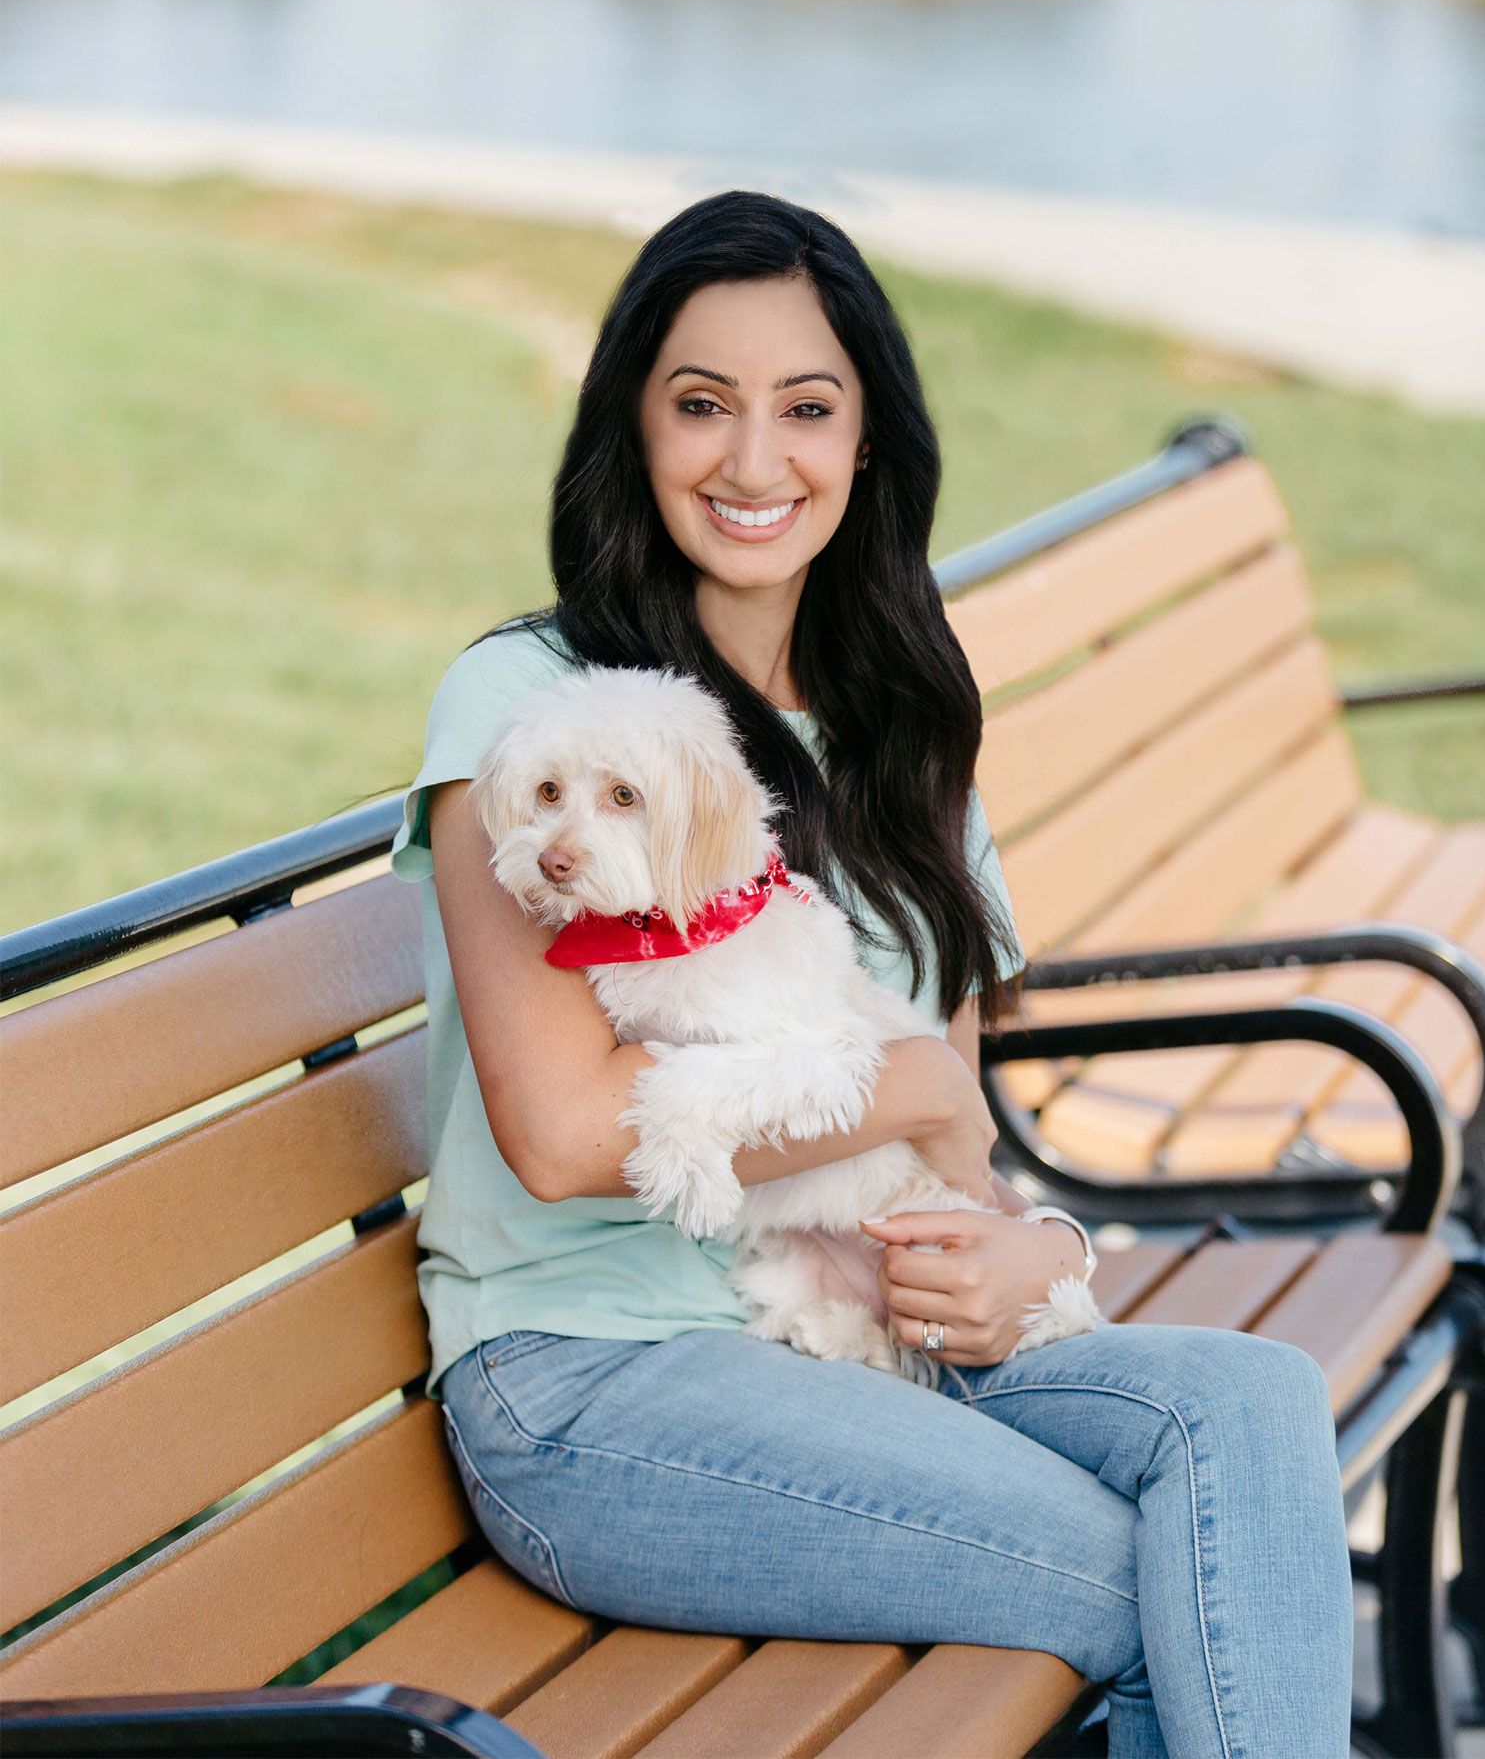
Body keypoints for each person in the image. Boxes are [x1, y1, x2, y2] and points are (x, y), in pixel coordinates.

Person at [392, 191, 1352, 1759]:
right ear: (631, 428)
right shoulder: (538, 710)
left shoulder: (903, 716)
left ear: (866, 442)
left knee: (1251, 1410)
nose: (755, 462)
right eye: (702, 405)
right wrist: (901, 1083)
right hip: (600, 1382)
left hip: (884, 1336)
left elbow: (962, 1131)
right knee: (1156, 1582)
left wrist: (1032, 1248)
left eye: (807, 409)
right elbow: (567, 1135)